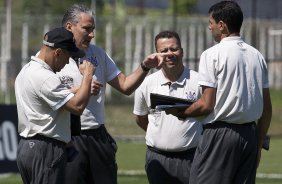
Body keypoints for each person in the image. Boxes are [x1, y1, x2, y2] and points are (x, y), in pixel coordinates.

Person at [57, 4, 170, 184]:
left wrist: (145, 66)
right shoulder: (53, 56)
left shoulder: (98, 54)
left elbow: (125, 86)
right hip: (68, 137)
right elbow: (45, 96)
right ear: (69, 27)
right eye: (87, 29)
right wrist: (81, 89)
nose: (92, 34)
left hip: (98, 137)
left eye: (93, 29)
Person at [167, 1, 272, 184]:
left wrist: (181, 112)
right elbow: (267, 108)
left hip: (220, 135)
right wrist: (258, 144)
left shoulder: (212, 54)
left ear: (221, 25)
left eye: (211, 22)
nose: (209, 27)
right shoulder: (257, 56)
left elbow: (206, 105)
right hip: (250, 137)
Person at [15, 27, 95, 184]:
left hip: (28, 147)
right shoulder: (46, 77)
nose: (67, 63)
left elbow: (48, 96)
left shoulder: (27, 70)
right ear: (57, 52)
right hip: (45, 148)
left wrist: (79, 89)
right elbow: (77, 107)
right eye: (68, 57)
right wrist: (88, 76)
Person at [133, 30, 203, 184]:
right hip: (157, 159)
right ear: (156, 55)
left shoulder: (199, 81)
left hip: (191, 158)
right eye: (164, 51)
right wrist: (160, 134)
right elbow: (140, 118)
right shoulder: (146, 83)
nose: (170, 54)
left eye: (174, 49)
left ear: (182, 51)